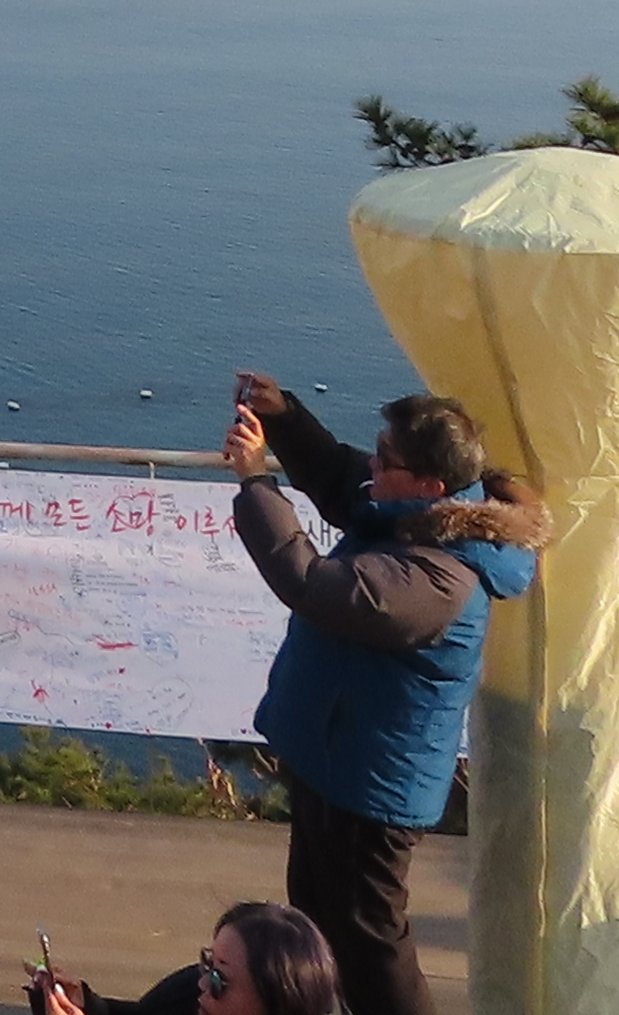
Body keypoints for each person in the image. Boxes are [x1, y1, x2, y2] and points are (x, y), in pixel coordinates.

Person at [222, 372, 540, 1015]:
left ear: (429, 484)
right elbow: (342, 479)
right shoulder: (418, 518)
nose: (372, 463)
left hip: (371, 787)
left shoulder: (441, 578)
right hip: (338, 762)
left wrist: (256, 482)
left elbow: (310, 582)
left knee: (371, 947)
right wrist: (284, 417)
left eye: (385, 459)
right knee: (318, 928)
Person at [26, 900, 343, 1015]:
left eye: (220, 980)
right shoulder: (188, 995)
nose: (203, 983)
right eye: (208, 963)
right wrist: (86, 1004)